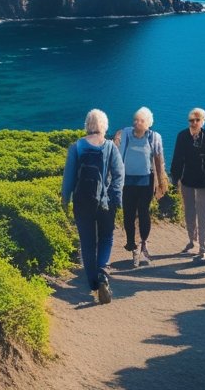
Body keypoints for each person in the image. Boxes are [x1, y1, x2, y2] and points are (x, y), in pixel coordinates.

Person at [61, 109, 125, 304]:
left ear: (87, 126)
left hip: (82, 202)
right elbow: (119, 175)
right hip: (105, 203)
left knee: (87, 243)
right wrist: (116, 198)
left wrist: (65, 200)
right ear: (104, 127)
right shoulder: (110, 147)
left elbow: (69, 177)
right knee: (106, 237)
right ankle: (103, 274)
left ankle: (94, 285)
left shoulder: (77, 147)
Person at [113, 106, 167, 267]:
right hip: (127, 182)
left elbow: (159, 160)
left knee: (143, 213)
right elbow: (116, 152)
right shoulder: (125, 134)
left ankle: (143, 242)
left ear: (148, 123)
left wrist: (162, 183)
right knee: (128, 214)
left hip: (146, 182)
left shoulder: (154, 137)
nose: (137, 123)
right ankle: (131, 244)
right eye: (135, 119)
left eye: (141, 120)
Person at [169, 107, 205, 261]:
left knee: (204, 215)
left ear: (203, 121)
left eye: (197, 120)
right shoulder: (182, 136)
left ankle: (203, 249)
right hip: (187, 181)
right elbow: (177, 157)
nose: (194, 123)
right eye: (191, 120)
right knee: (189, 214)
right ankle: (192, 240)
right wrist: (175, 177)